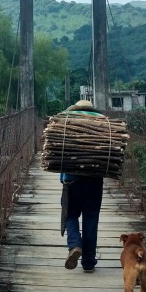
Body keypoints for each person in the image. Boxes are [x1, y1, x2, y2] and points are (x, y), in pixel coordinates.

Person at [60, 100, 105, 272]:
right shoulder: (102, 120)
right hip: (94, 180)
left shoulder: (65, 119)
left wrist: (63, 178)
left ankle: (74, 245)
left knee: (70, 215)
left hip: (72, 181)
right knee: (91, 219)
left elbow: (61, 152)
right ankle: (88, 262)